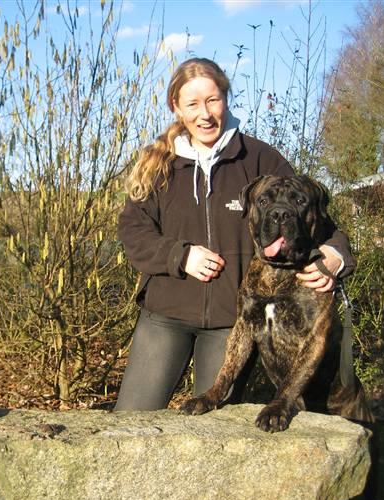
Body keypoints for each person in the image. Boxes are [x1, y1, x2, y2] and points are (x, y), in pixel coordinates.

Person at [114, 58, 355, 411]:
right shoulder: (158, 166)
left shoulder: (259, 158)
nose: (205, 114)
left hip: (231, 322)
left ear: (226, 98)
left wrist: (335, 256)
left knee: (214, 428)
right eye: (193, 104)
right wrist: (180, 256)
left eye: (213, 100)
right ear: (176, 107)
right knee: (131, 419)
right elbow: (133, 231)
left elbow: (315, 217)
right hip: (164, 314)